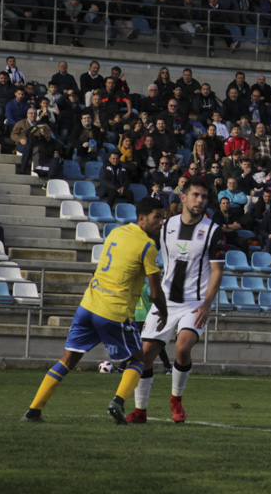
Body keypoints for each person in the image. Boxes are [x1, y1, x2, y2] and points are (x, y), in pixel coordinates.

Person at [22, 198, 167, 424]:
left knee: (68, 359)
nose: (161, 222)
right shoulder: (148, 246)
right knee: (139, 360)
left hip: (88, 305)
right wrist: (165, 314)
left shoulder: (116, 233)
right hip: (113, 310)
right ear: (142, 218)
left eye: (163, 217)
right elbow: (156, 292)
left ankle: (34, 410)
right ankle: (118, 402)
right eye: (157, 217)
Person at [125, 179, 223, 424]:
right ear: (184, 197)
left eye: (204, 196)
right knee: (145, 354)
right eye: (195, 195)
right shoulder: (166, 225)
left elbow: (217, 272)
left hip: (195, 302)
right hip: (165, 302)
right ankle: (140, 411)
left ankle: (176, 400)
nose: (200, 200)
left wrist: (207, 305)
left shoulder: (213, 231)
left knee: (182, 347)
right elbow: (142, 243)